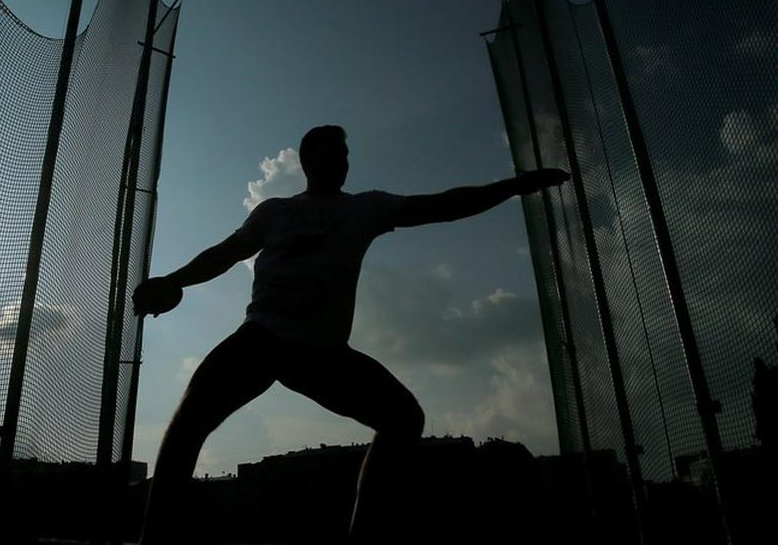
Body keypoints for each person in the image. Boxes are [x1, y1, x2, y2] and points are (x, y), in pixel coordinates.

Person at [132, 125, 568, 543]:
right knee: (189, 421)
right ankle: (157, 540)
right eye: (330, 154)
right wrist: (174, 281)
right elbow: (224, 254)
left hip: (320, 353)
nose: (340, 162)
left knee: (404, 418)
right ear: (307, 161)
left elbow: (443, 205)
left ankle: (365, 539)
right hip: (260, 337)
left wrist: (512, 186)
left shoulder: (364, 207)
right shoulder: (274, 211)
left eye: (344, 154)